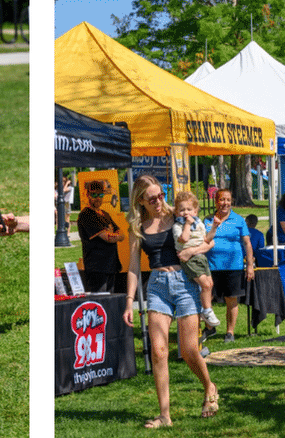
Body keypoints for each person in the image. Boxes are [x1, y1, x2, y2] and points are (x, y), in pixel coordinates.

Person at [122, 175, 218, 428]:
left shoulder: (178, 214)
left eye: (161, 195)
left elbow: (208, 242)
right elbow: (133, 267)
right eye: (152, 198)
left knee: (188, 350)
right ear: (140, 200)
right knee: (159, 351)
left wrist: (191, 251)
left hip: (185, 283)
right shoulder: (136, 226)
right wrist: (129, 301)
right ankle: (165, 415)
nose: (158, 201)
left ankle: (209, 386)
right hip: (157, 286)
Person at [203, 189, 255, 342]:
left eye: (228, 200)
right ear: (216, 201)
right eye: (221, 200)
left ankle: (229, 333)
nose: (225, 203)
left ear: (231, 201)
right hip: (210, 266)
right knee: (206, 299)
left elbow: (247, 243)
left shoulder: (239, 220)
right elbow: (202, 239)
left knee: (231, 300)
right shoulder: (207, 220)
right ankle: (209, 328)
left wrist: (250, 265)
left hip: (234, 266)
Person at [171, 190, 219, 333]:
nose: (186, 213)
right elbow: (184, 239)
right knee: (204, 284)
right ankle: (207, 310)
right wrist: (187, 224)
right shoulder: (178, 226)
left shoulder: (199, 224)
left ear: (196, 211)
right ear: (176, 212)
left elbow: (208, 239)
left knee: (210, 284)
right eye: (182, 210)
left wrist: (215, 227)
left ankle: (206, 309)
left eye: (189, 209)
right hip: (189, 260)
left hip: (201, 257)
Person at [76, 179, 123, 294]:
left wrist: (113, 235)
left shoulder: (105, 214)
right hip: (97, 268)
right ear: (88, 195)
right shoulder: (86, 215)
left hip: (111, 266)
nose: (98, 197)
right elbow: (108, 237)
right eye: (94, 194)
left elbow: (122, 234)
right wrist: (113, 235)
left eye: (100, 194)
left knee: (110, 303)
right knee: (99, 302)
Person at [56, 172, 73, 247]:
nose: (62, 182)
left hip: (66, 204)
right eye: (61, 181)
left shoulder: (69, 188)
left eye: (63, 181)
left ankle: (68, 233)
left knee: (67, 219)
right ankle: (58, 231)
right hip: (59, 204)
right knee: (58, 219)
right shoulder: (57, 188)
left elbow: (64, 190)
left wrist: (66, 184)